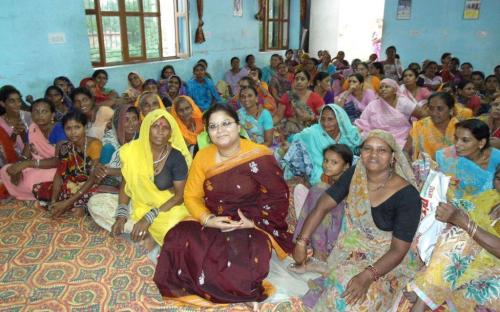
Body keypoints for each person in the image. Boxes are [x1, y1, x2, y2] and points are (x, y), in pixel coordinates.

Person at [154, 104, 293, 305]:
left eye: (226, 123)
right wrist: (208, 219)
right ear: (208, 133)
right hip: (213, 216)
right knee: (177, 237)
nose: (220, 130)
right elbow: (191, 196)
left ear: (238, 127)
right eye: (213, 126)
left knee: (240, 260)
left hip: (249, 221)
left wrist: (254, 222)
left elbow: (278, 196)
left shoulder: (259, 155)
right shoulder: (202, 156)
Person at [293, 130, 422, 310]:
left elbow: (398, 250)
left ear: (393, 156)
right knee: (337, 292)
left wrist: (367, 276)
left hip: (389, 261)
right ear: (360, 152)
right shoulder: (356, 174)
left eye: (382, 150)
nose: (373, 155)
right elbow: (323, 205)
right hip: (352, 250)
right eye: (368, 148)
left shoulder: (407, 196)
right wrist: (301, 241)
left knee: (353, 302)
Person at [88, 109, 191, 248]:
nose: (160, 131)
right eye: (155, 126)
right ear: (146, 129)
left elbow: (179, 197)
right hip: (137, 204)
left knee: (176, 227)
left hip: (165, 208)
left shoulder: (176, 157)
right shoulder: (132, 150)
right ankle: (141, 231)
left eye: (165, 127)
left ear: (171, 133)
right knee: (95, 203)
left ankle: (142, 230)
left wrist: (148, 218)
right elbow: (126, 184)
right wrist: (121, 215)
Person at [408, 167, 500, 312]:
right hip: (472, 259)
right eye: (499, 179)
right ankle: (428, 290)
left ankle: (425, 295)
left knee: (462, 233)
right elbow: (468, 208)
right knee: (458, 228)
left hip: (494, 271)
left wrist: (464, 223)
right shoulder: (491, 197)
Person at [290, 144, 353, 272]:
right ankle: (310, 247)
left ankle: (320, 256)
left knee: (318, 190)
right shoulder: (327, 179)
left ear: (346, 166)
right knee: (305, 190)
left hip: (343, 225)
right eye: (326, 160)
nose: (327, 165)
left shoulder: (350, 181)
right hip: (325, 219)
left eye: (334, 162)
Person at [33, 111, 102, 217]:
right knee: (40, 188)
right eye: (68, 128)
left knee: (97, 197)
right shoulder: (65, 147)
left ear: (85, 128)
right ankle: (65, 205)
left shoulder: (94, 145)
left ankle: (76, 207)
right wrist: (53, 201)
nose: (73, 132)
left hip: (91, 185)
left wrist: (67, 202)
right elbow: (59, 175)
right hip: (72, 184)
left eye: (77, 127)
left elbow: (93, 178)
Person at [282, 104, 361, 185]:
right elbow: (296, 138)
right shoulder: (312, 133)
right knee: (321, 181)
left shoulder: (349, 133)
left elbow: (353, 153)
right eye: (322, 119)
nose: (325, 123)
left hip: (342, 166)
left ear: (339, 120)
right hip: (319, 166)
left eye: (330, 119)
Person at [0, 99, 60, 200]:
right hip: (38, 166)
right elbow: (25, 156)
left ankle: (37, 191)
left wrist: (27, 164)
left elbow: (58, 161)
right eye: (36, 112)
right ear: (31, 115)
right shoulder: (32, 129)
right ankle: (35, 192)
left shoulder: (59, 130)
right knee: (6, 170)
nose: (39, 115)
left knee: (31, 177)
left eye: (44, 111)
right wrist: (18, 167)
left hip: (60, 167)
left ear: (52, 115)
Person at [436, 119, 500, 200]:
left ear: (481, 143)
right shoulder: (446, 156)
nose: (457, 144)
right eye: (456, 138)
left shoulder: (498, 160)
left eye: (465, 140)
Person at [355, 78, 423, 147]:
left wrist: (414, 132)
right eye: (381, 87)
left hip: (400, 138)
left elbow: (422, 115)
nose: (383, 89)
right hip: (377, 136)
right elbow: (363, 121)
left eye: (387, 87)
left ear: (394, 90)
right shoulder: (373, 104)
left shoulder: (403, 103)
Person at [90, 104, 140, 193]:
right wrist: (99, 170)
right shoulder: (110, 144)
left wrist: (114, 171)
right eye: (126, 120)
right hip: (113, 187)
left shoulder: (142, 139)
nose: (131, 123)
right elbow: (101, 176)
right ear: (118, 122)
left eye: (134, 119)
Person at [405, 92, 458, 161]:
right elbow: (405, 151)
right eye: (431, 108)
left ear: (451, 110)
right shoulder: (420, 126)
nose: (434, 113)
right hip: (424, 169)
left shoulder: (460, 128)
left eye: (440, 109)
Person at [0, 85, 30, 159]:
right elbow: (4, 148)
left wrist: (24, 135)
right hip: (10, 160)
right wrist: (14, 134)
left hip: (34, 157)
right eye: (12, 101)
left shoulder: (29, 116)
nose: (17, 104)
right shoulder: (1, 123)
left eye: (19, 100)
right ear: (2, 103)